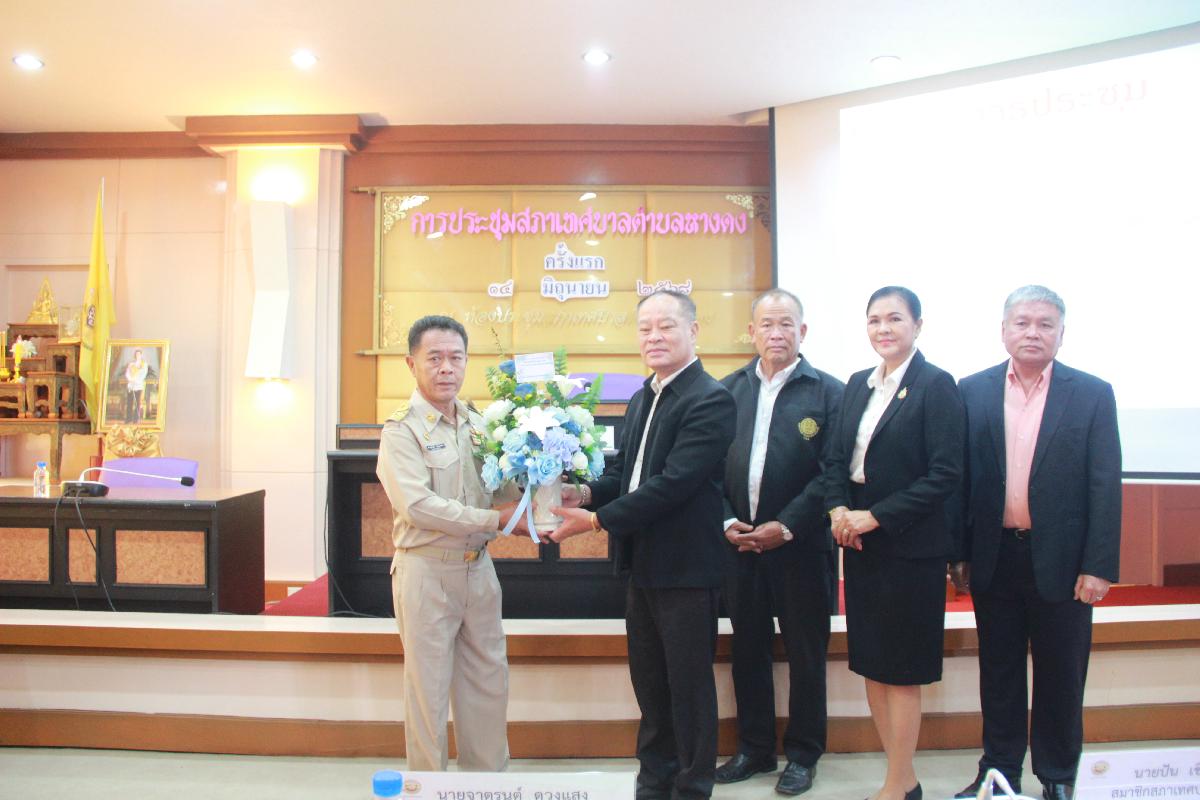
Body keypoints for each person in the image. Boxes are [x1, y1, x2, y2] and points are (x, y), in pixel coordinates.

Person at [549, 290, 736, 800]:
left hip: (687, 569)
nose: (654, 337)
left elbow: (673, 485)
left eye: (666, 326)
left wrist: (595, 521)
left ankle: (693, 787)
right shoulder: (642, 397)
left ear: (693, 331)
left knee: (688, 688)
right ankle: (654, 783)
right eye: (645, 328)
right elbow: (626, 475)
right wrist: (584, 493)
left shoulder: (711, 399)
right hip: (642, 564)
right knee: (651, 686)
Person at [951, 286, 1120, 800]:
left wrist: (1098, 565)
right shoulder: (971, 390)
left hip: (1065, 563)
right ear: (1004, 330)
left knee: (1062, 675)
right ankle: (999, 772)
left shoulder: (1091, 393)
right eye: (1022, 322)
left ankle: (1058, 776)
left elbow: (1104, 484)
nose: (1033, 333)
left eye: (1045, 324)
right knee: (998, 671)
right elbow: (961, 480)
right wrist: (959, 552)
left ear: (1061, 334)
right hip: (994, 556)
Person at [825, 286, 964, 800]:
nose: (883, 329)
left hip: (909, 547)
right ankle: (902, 778)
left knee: (901, 670)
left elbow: (945, 474)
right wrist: (838, 510)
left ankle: (898, 782)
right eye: (874, 320)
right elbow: (835, 460)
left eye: (895, 319)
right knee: (873, 665)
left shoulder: (936, 385)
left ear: (918, 325)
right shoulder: (857, 384)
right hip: (861, 546)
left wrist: (876, 517)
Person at [375, 315, 529, 772]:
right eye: (435, 358)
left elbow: (502, 491)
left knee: (488, 683)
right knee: (428, 692)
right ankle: (429, 789)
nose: (446, 368)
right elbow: (418, 506)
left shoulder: (480, 424)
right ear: (412, 364)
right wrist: (496, 519)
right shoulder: (401, 430)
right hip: (427, 572)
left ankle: (487, 786)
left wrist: (544, 485)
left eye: (456, 358)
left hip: (478, 570)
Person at [715, 289, 843, 796]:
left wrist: (785, 526)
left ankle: (804, 754)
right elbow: (707, 468)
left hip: (802, 547)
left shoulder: (829, 393)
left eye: (786, 324)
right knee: (748, 649)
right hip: (740, 546)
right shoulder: (726, 392)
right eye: (766, 324)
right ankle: (755, 749)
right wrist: (728, 520)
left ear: (802, 332)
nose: (776, 333)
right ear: (751, 332)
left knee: (807, 653)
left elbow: (831, 474)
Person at [124, 349, 149, 423]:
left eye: (139, 354)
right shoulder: (131, 364)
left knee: (137, 403)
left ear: (141, 355)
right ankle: (128, 419)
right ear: (135, 355)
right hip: (131, 385)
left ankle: (136, 419)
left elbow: (143, 374)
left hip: (138, 385)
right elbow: (127, 373)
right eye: (136, 354)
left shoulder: (144, 364)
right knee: (129, 402)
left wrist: (136, 380)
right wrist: (130, 379)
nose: (137, 355)